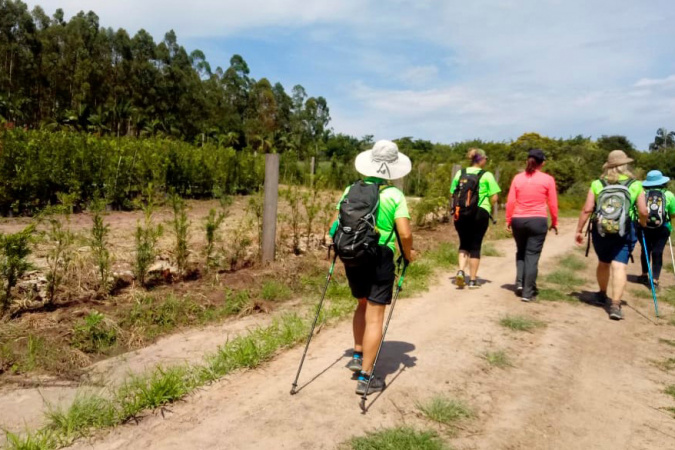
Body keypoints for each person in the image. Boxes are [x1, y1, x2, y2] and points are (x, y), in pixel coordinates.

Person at [330, 139, 414, 395]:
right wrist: (408, 255)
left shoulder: (350, 190)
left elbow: (335, 225)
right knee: (376, 315)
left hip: (353, 254)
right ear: (392, 168)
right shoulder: (394, 195)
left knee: (362, 303)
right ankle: (366, 377)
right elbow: (405, 233)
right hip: (380, 256)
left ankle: (357, 354)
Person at [575, 150, 648, 320]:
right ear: (625, 165)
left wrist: (579, 230)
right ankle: (615, 305)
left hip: (601, 229)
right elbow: (643, 210)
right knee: (619, 265)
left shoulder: (597, 184)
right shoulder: (636, 185)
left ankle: (601, 294)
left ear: (608, 166)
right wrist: (643, 224)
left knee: (603, 262)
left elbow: (587, 209)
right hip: (625, 229)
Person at [505, 149, 559, 302]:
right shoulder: (548, 179)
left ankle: (520, 284)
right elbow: (553, 203)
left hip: (518, 220)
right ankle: (528, 292)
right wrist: (554, 221)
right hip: (538, 220)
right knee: (532, 255)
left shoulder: (517, 178)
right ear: (543, 163)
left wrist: (508, 220)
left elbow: (510, 202)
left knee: (521, 251)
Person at [450, 148, 501, 289]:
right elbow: (495, 197)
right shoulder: (487, 175)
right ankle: (472, 280)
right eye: (485, 158)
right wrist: (487, 206)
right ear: (481, 159)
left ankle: (461, 271)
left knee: (463, 243)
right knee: (475, 245)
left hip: (461, 212)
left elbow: (453, 193)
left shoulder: (460, 173)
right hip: (480, 212)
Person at [637, 170, 675, 289]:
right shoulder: (669, 195)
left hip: (644, 226)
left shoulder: (642, 194)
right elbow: (673, 213)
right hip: (663, 228)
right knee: (658, 252)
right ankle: (655, 279)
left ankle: (644, 275)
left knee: (645, 250)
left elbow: (639, 211)